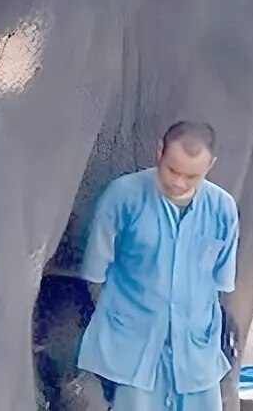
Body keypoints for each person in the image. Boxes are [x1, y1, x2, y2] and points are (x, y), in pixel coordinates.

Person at [77, 121, 239, 411]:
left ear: (210, 165)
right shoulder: (123, 197)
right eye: (172, 170)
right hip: (135, 349)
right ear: (160, 151)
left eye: (192, 176)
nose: (178, 182)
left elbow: (220, 285)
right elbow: (95, 276)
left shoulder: (223, 210)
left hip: (195, 353)